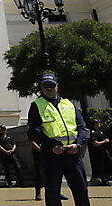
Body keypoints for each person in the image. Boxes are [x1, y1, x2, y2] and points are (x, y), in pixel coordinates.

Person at [28, 72, 90, 206]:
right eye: (45, 86)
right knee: (52, 194)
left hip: (73, 154)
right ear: (41, 87)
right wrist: (52, 146)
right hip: (52, 156)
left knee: (81, 190)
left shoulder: (69, 104)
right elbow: (34, 132)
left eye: (51, 85)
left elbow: (82, 127)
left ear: (57, 86)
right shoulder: (37, 106)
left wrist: (78, 145)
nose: (48, 88)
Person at [88, 120, 112, 186]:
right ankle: (99, 179)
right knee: (99, 166)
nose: (99, 124)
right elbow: (95, 143)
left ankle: (108, 177)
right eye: (97, 123)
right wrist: (104, 141)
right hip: (97, 152)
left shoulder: (101, 132)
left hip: (103, 151)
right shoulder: (93, 132)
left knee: (109, 163)